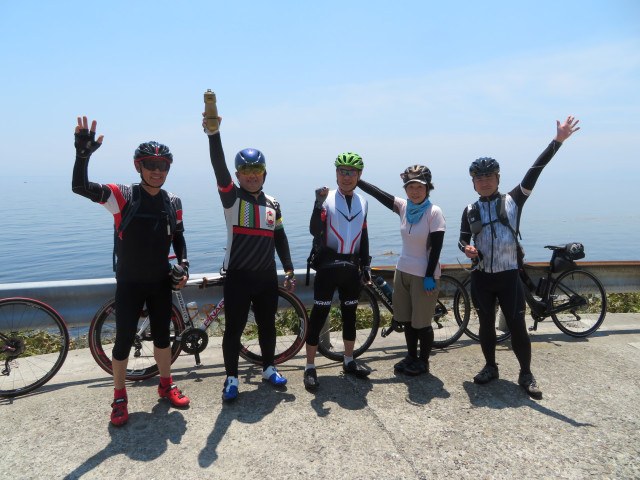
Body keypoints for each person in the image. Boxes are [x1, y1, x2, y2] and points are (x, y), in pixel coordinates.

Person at [72, 116, 191, 426]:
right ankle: (119, 396)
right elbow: (80, 187)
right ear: (139, 166)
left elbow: (178, 237)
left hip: (160, 281)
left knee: (163, 339)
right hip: (129, 283)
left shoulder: (173, 201)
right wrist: (82, 155)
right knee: (123, 341)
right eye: (150, 164)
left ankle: (165, 385)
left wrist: (183, 265)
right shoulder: (122, 195)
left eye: (162, 165)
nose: (157, 170)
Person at [458, 115, 581, 399]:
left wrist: (558, 140)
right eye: (479, 178)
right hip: (481, 277)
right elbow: (463, 238)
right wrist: (466, 249)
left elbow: (535, 170)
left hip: (508, 276)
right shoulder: (469, 209)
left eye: (489, 177)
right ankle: (490, 367)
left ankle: (526, 373)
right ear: (473, 182)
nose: (484, 182)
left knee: (517, 325)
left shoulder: (514, 200)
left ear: (498, 178)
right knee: (485, 325)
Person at [202, 109, 295, 402]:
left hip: (266, 277)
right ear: (238, 175)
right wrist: (213, 134)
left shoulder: (273, 203)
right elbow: (218, 166)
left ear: (264, 173)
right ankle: (231, 378)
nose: (252, 176)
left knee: (268, 326)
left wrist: (289, 268)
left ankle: (268, 368)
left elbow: (280, 237)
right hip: (238, 277)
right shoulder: (231, 199)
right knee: (234, 330)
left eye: (257, 171)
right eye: (246, 171)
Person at [357, 165, 445, 376]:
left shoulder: (434, 212)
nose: (415, 191)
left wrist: (429, 276)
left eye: (420, 187)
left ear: (428, 188)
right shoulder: (404, 207)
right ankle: (411, 356)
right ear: (405, 188)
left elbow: (436, 248)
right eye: (410, 187)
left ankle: (423, 362)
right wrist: (356, 180)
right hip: (403, 270)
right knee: (406, 320)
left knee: (422, 323)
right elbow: (378, 194)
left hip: (424, 274)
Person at [303, 152, 372, 391]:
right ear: (336, 173)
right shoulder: (327, 198)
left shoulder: (364, 202)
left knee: (350, 316)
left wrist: (366, 265)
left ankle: (349, 360)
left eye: (351, 172)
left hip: (351, 268)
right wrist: (317, 204)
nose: (346, 176)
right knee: (318, 316)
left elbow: (363, 235)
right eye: (342, 171)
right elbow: (314, 230)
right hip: (328, 267)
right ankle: (309, 366)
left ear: (359, 175)